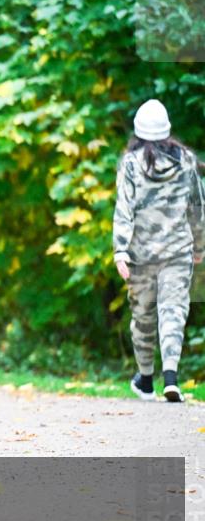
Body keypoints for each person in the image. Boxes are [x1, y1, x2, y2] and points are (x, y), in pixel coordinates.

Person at [113, 99, 204, 403]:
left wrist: (121, 250)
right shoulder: (187, 161)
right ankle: (172, 377)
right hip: (178, 250)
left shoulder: (129, 164)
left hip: (141, 255)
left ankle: (146, 380)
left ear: (138, 132)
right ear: (167, 131)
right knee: (173, 312)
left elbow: (123, 209)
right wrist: (200, 246)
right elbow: (197, 208)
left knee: (143, 316)